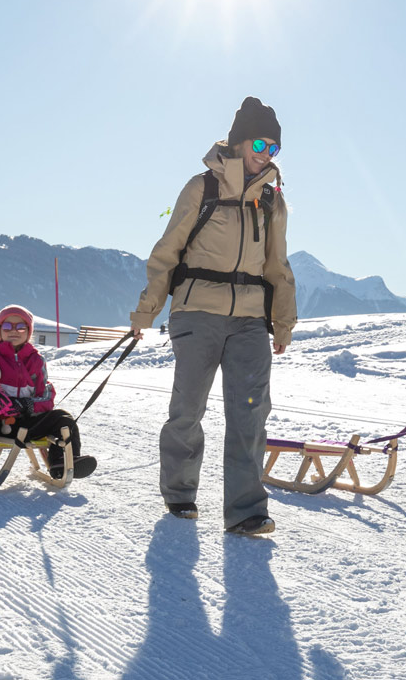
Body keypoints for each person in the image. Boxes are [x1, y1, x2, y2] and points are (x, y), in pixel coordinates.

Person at [129, 96, 297, 537]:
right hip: (197, 311)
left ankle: (245, 511)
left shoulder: (272, 201)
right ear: (240, 141)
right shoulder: (201, 187)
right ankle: (180, 493)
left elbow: (278, 266)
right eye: (260, 143)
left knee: (250, 413)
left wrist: (283, 322)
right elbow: (167, 253)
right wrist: (146, 310)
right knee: (188, 410)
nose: (266, 153)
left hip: (249, 321)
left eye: (274, 148)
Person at [0, 304, 97, 483]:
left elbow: (46, 398)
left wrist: (26, 404)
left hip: (27, 424)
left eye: (20, 327)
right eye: (7, 326)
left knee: (63, 418)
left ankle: (62, 462)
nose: (14, 331)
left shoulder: (36, 360)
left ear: (28, 331)